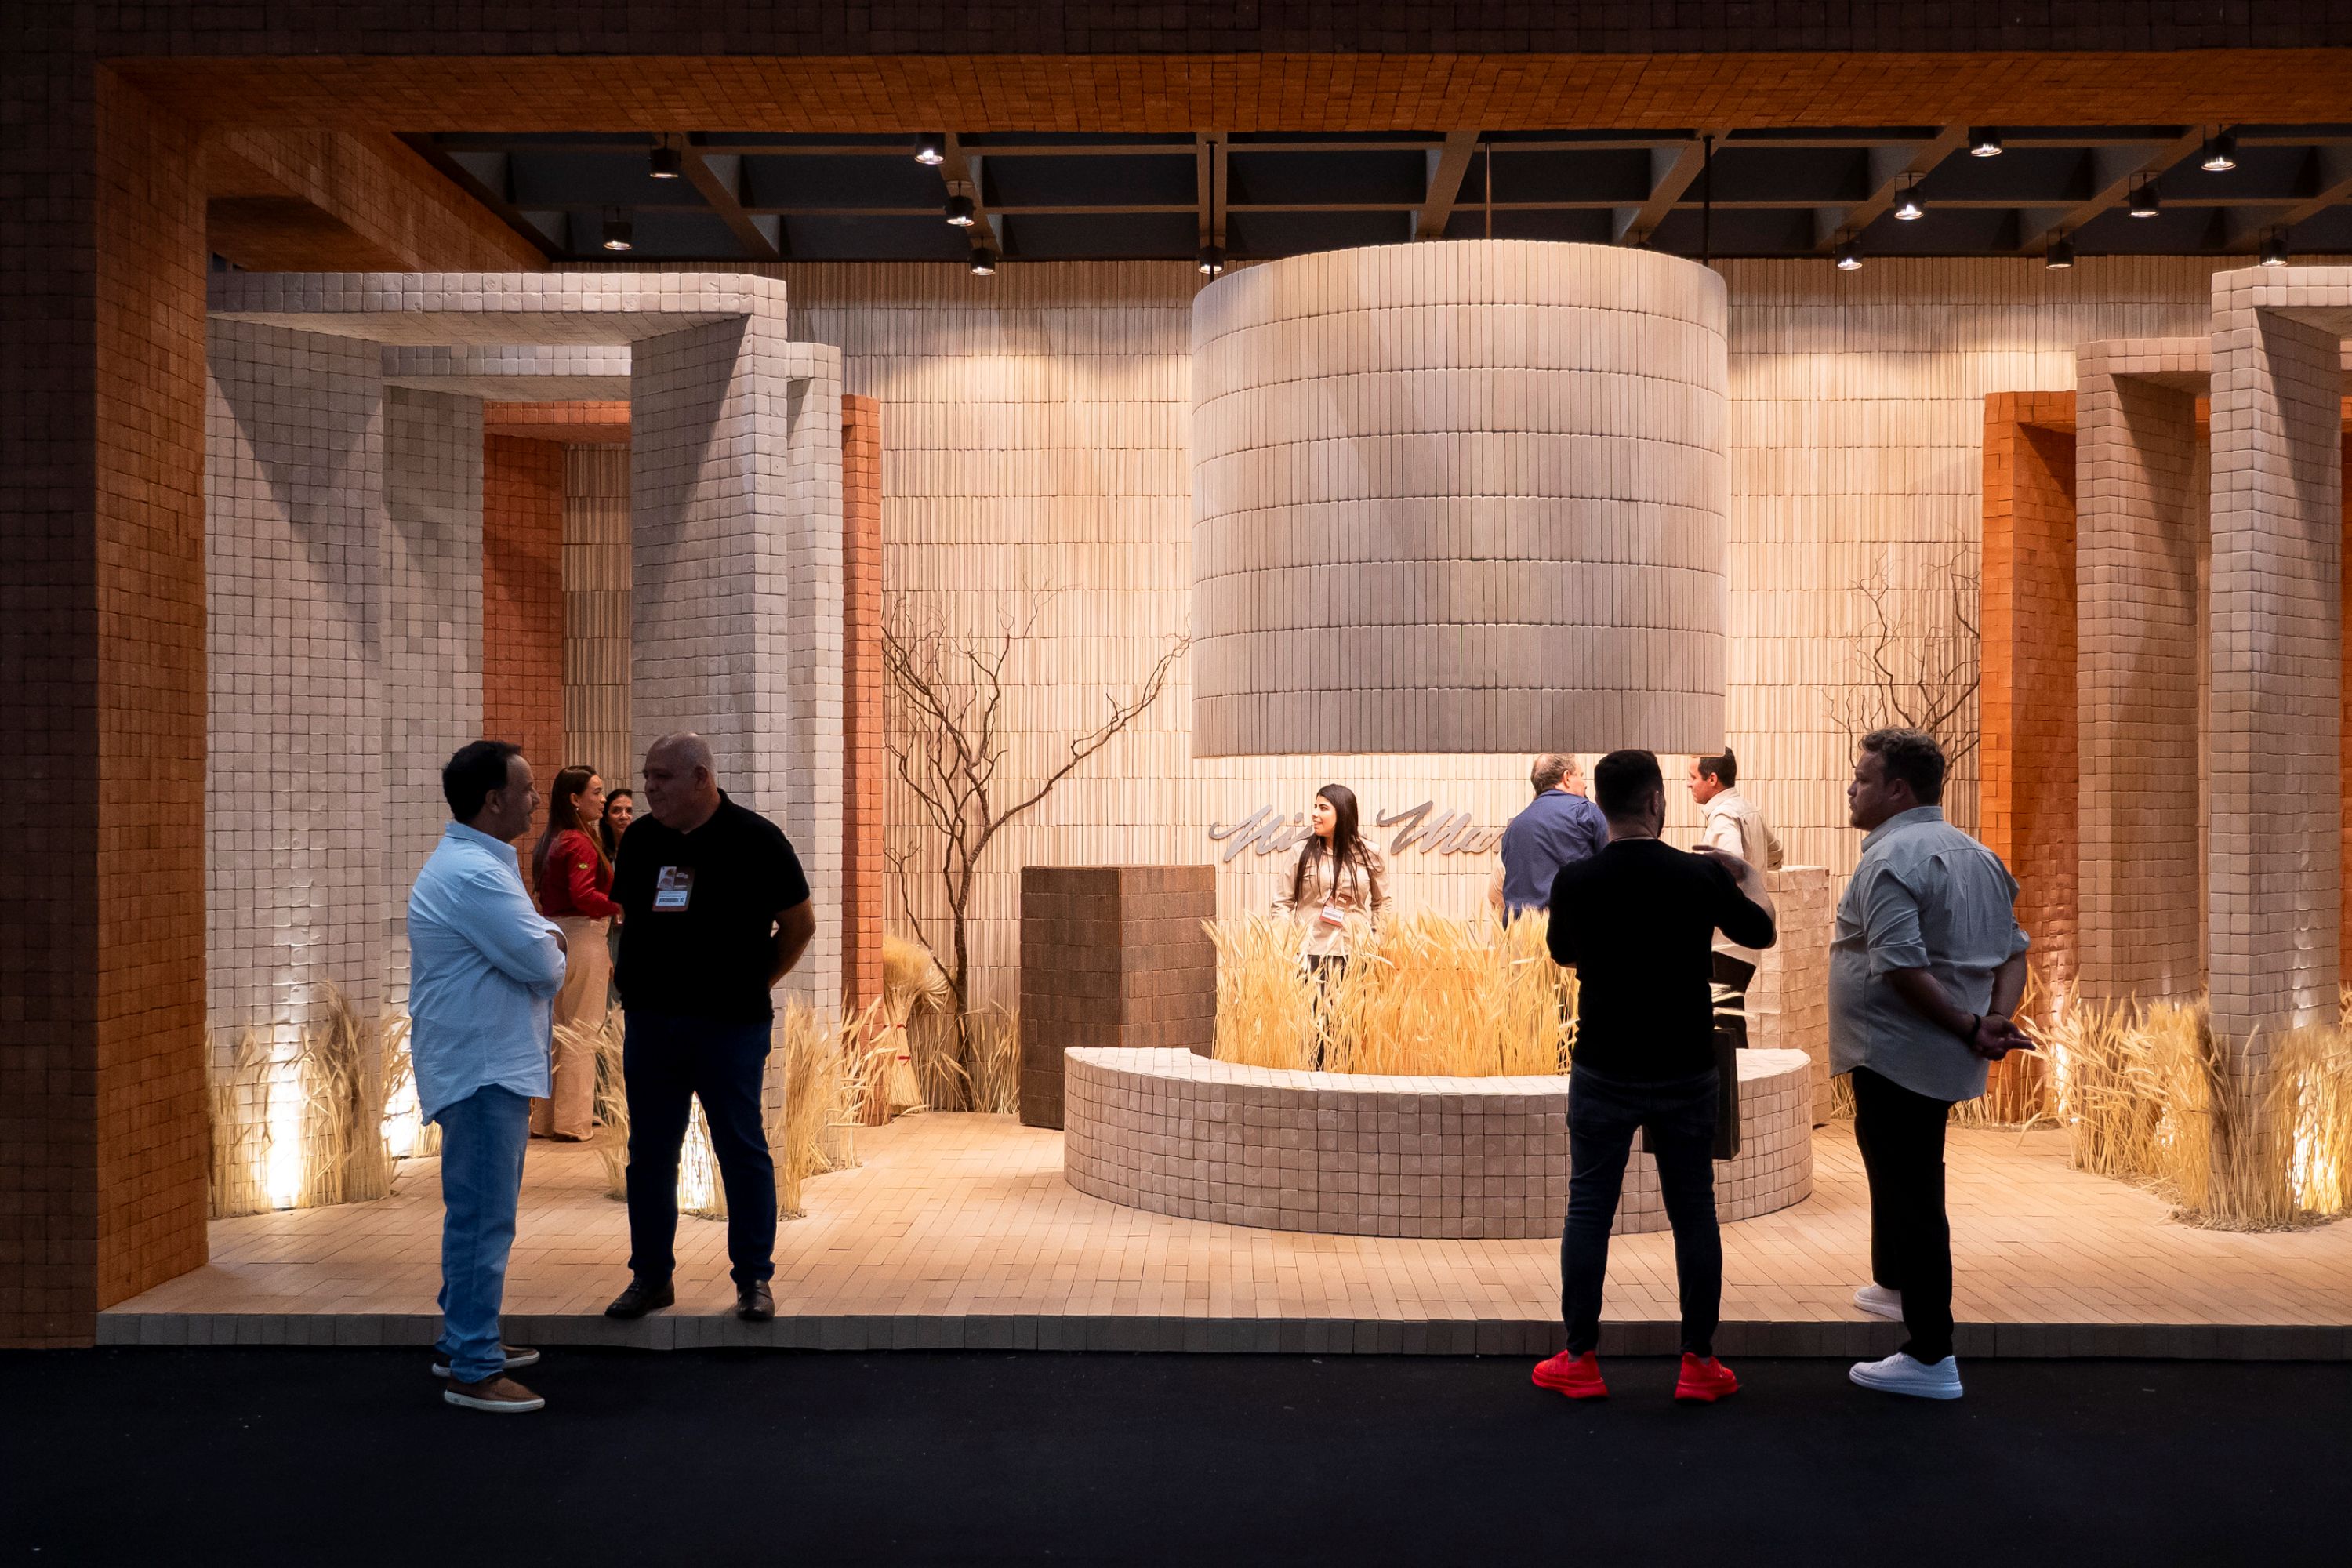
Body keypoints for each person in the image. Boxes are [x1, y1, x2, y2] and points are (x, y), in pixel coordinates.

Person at [1531, 749, 1775, 1406]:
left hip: (1604, 1063)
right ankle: (1698, 1362)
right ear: (1656, 802)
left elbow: (1562, 953)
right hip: (1685, 1066)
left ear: (1600, 807)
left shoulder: (1577, 880)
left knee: (1589, 1208)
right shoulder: (1699, 876)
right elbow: (1760, 932)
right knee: (1694, 1211)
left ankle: (1579, 1358)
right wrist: (1744, 875)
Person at [1834, 728, 2031, 1402]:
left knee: (1914, 1192)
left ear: (1897, 789)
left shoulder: (1892, 860)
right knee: (1897, 1172)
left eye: (1863, 779)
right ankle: (1896, 1285)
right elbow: (2014, 952)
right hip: (1933, 1051)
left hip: (1899, 1052)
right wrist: (1994, 1018)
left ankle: (1930, 1354)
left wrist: (1973, 1025)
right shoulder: (1978, 854)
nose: (1851, 789)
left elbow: (1901, 967)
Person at [604, 734, 817, 1324]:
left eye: (662, 777)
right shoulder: (642, 840)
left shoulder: (757, 839)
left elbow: (799, 925)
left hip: (730, 1026)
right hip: (653, 1024)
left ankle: (754, 1279)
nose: (649, 788)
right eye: (647, 776)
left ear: (701, 778)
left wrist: (754, 982)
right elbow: (631, 919)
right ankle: (651, 1277)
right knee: (650, 1154)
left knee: (741, 1150)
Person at [408, 740, 568, 1413]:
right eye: (527, 788)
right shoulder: (474, 874)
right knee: (483, 1221)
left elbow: (532, 949)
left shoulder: (478, 863)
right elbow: (544, 963)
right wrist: (554, 941)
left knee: (476, 1215)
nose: (536, 799)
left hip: (483, 1064)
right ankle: (473, 1368)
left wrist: (543, 940)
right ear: (494, 800)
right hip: (481, 1070)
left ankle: (462, 1338)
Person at [1689, 747, 1784, 1156]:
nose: (1689, 784)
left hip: (1724, 941)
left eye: (1693, 777)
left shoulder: (1724, 816)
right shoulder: (1750, 810)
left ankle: (1732, 1116)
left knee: (1723, 1027)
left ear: (1713, 780)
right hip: (1744, 945)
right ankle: (1738, 1114)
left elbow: (1728, 863)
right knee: (1730, 1022)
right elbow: (1776, 854)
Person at [529, 766, 619, 1141]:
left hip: (554, 938)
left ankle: (544, 1120)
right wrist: (621, 905)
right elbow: (584, 896)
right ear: (574, 799)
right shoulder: (579, 842)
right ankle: (573, 1122)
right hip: (583, 936)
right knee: (583, 1031)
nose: (603, 799)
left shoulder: (550, 840)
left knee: (557, 1033)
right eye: (596, 792)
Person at [1272, 783, 1389, 1065]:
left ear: (1343, 813)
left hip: (1354, 955)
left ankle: (1345, 1085)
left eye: (1323, 808)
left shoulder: (1369, 853)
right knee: (1314, 1034)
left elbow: (1382, 902)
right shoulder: (1300, 852)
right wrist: (1287, 947)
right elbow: (1282, 903)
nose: (1314, 813)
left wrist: (1375, 940)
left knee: (1349, 1032)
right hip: (1310, 954)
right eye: (1315, 806)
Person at [1491, 754, 1607, 917]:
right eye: (1581, 775)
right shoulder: (1586, 812)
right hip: (1572, 926)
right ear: (1567, 777)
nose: (1585, 783)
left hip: (1522, 929)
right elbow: (1613, 869)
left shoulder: (1514, 827)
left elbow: (1500, 889)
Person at [598, 787, 634, 862]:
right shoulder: (597, 854)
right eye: (616, 811)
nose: (624, 816)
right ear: (606, 818)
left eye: (630, 811)